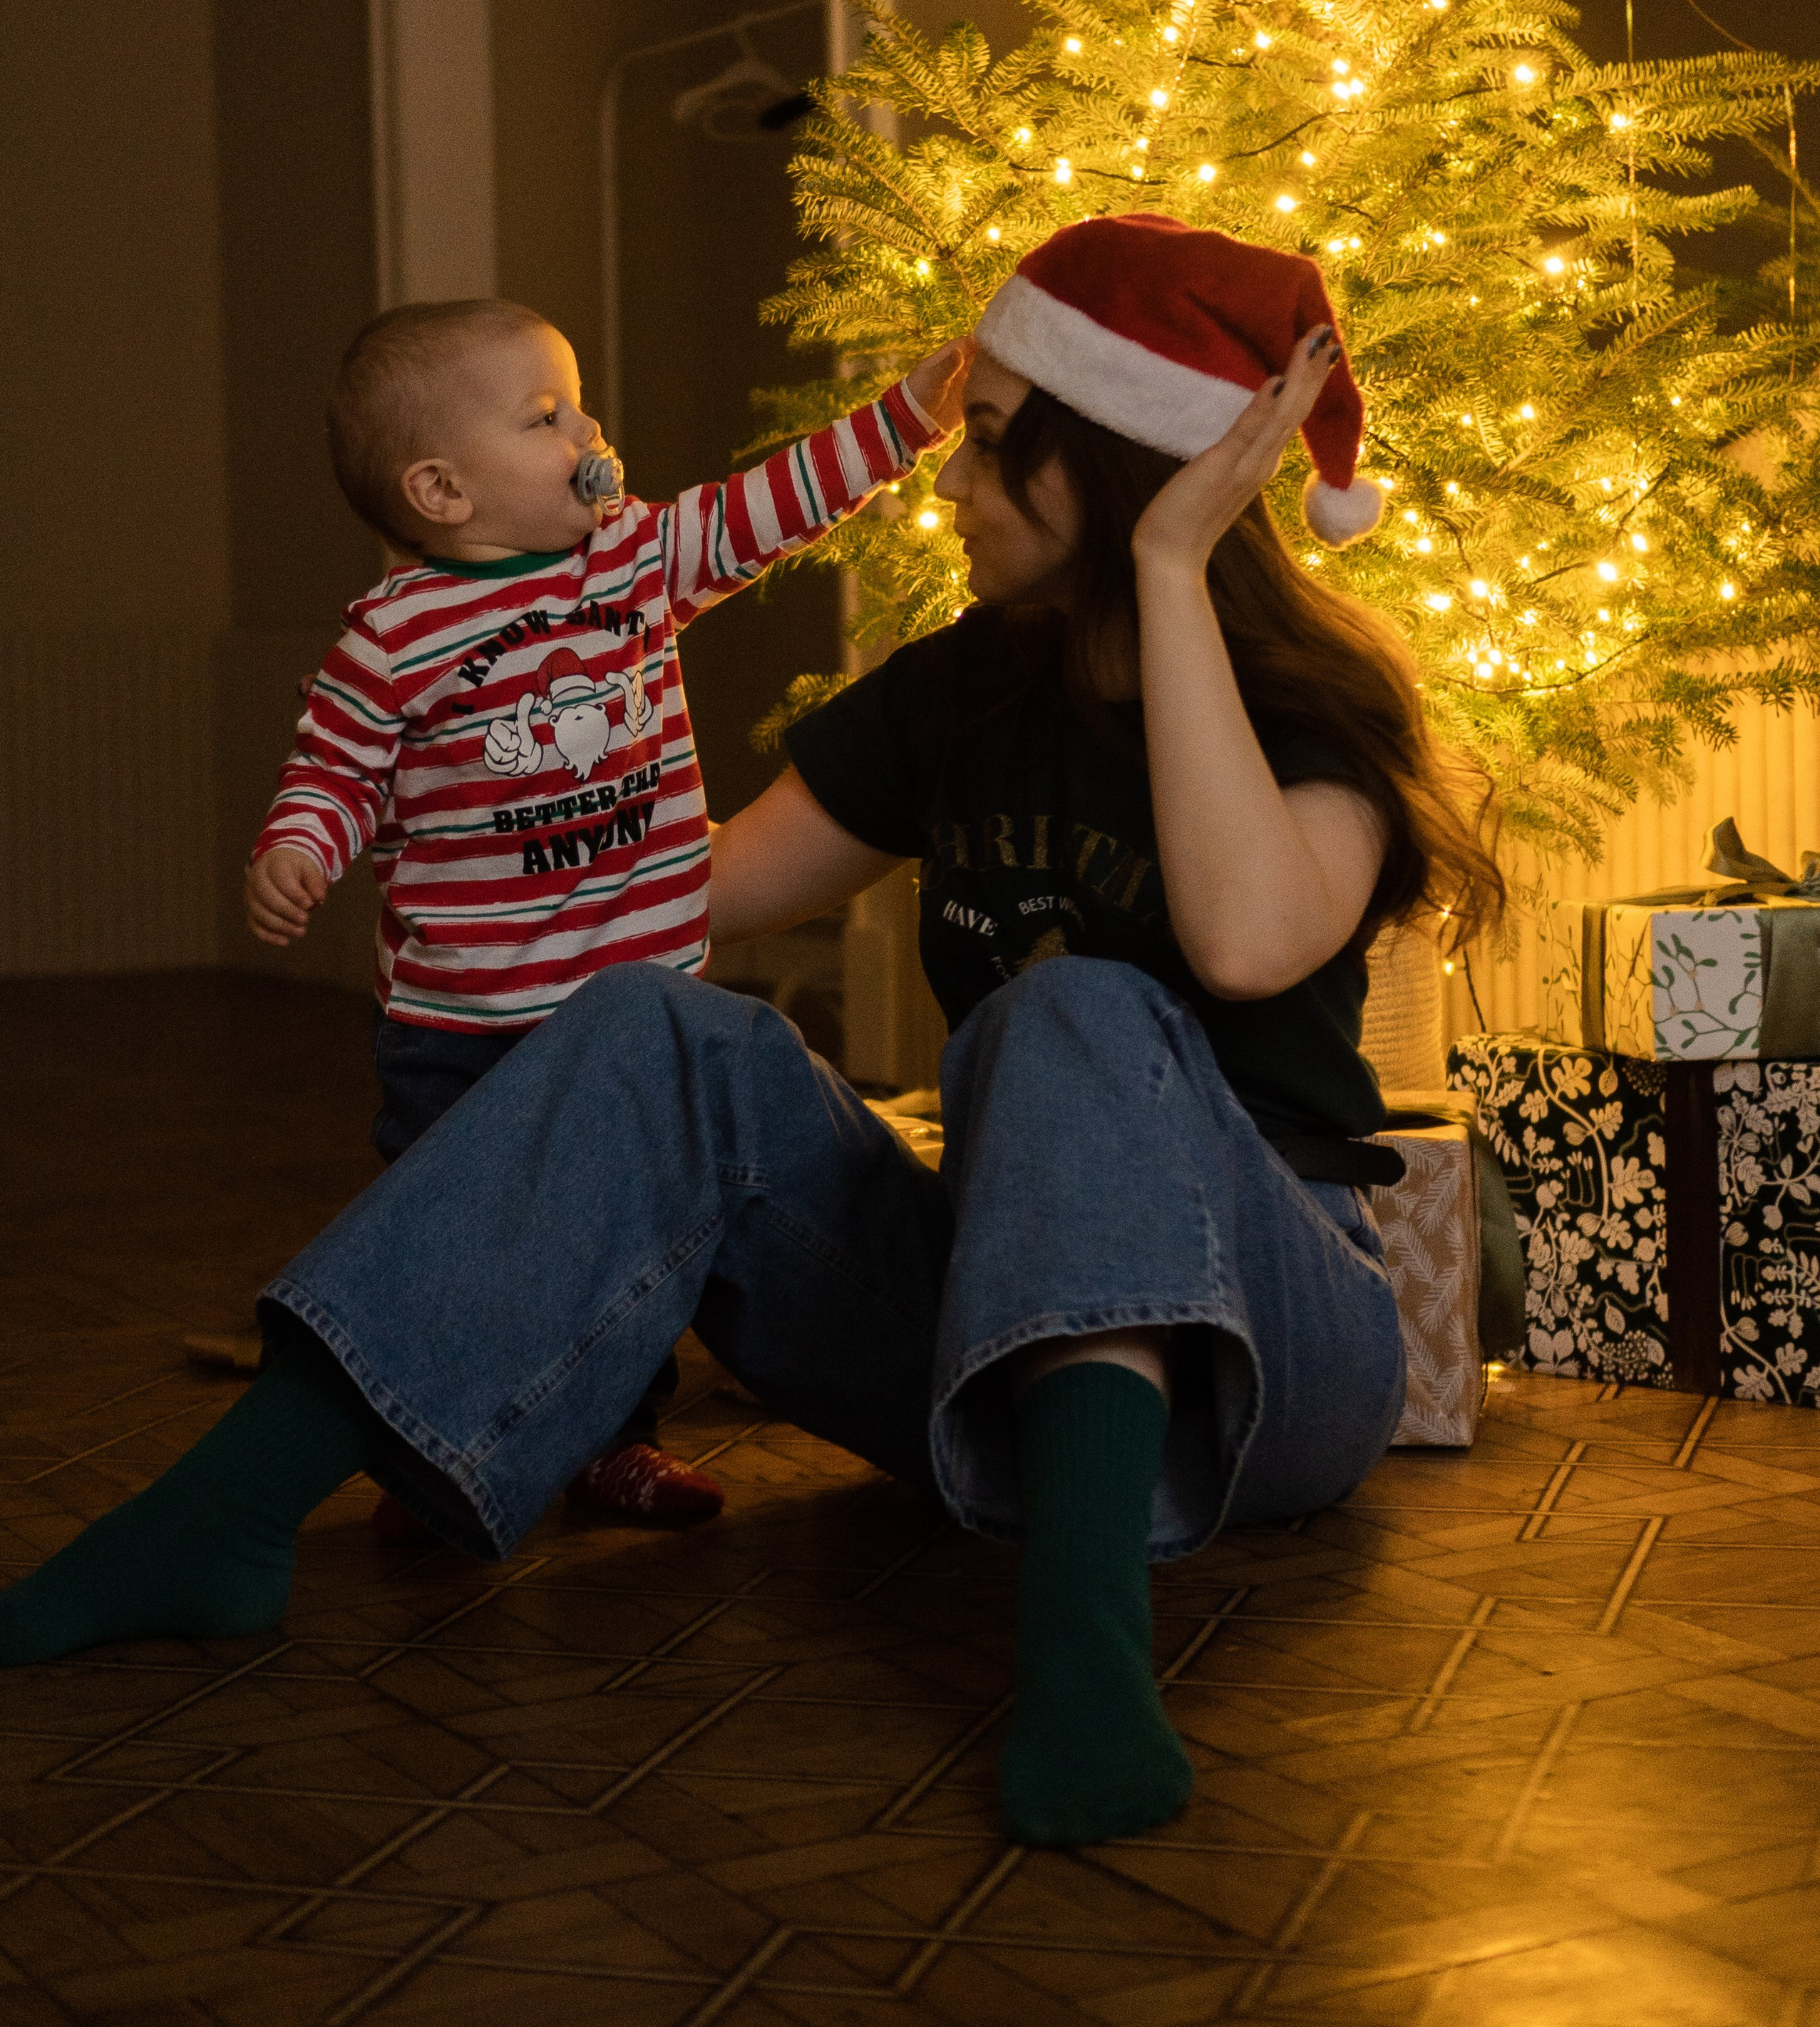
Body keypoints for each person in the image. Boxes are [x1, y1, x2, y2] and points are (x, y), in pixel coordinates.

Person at [0, 219, 1501, 1852]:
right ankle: (222, 1521)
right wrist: (485, 834)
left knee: (1072, 1003)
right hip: (975, 1339)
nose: (949, 484)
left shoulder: (1317, 714)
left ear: (1115, 471)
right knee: (655, 1018)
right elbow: (678, 898)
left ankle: (1081, 1642)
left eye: (992, 450)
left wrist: (1164, 574)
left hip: (1274, 1358)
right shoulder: (960, 692)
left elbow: (1241, 938)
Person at [242, 294, 965, 1526]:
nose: (590, 432)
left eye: (579, 402)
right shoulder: (395, 634)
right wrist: (300, 847)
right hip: (466, 1028)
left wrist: (903, 423)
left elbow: (760, 514)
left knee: (632, 1238)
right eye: (545, 416)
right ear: (442, 491)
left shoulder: (630, 558)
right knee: (482, 1251)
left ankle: (613, 1438)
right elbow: (335, 770)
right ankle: (429, 1443)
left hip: (635, 1010)